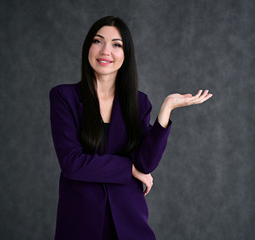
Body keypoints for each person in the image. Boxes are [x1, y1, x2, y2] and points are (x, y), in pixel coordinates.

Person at [49, 16, 212, 240]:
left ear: (126, 55)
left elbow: (145, 164)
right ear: (88, 47)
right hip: (80, 222)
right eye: (98, 41)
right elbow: (72, 164)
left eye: (117, 44)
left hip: (129, 223)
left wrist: (166, 111)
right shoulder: (64, 97)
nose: (106, 50)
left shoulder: (140, 103)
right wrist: (129, 169)